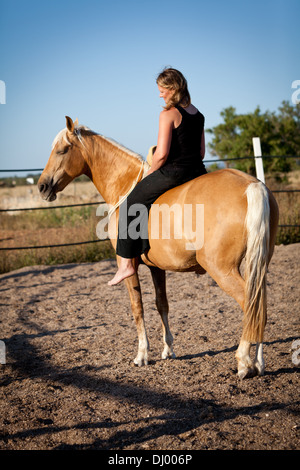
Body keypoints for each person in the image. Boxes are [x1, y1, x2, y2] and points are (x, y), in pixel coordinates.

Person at [108, 68, 206, 286]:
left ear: (173, 89)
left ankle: (126, 265)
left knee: (130, 204)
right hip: (198, 172)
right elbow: (201, 153)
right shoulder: (198, 114)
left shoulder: (168, 114)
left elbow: (161, 154)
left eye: (162, 90)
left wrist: (151, 173)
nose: (160, 94)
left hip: (175, 172)